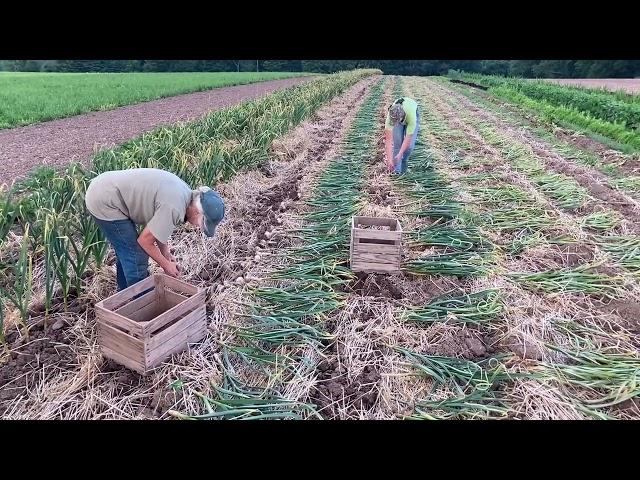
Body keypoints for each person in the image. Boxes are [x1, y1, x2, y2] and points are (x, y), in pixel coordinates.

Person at [85, 168, 225, 291]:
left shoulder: (185, 195)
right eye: (201, 223)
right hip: (105, 200)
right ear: (197, 212)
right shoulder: (175, 207)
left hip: (107, 188)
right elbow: (145, 241)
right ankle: (141, 305)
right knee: (135, 255)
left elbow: (158, 225)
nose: (197, 226)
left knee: (127, 250)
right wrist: (165, 265)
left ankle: (123, 294)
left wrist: (165, 253)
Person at [384, 96, 421, 174]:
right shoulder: (391, 117)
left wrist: (400, 155)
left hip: (412, 110)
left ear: (402, 116)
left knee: (409, 147)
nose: (396, 124)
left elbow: (408, 138)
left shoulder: (411, 117)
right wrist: (389, 159)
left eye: (398, 121)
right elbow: (388, 140)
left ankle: (404, 162)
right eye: (394, 122)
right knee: (397, 144)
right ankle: (396, 172)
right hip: (398, 115)